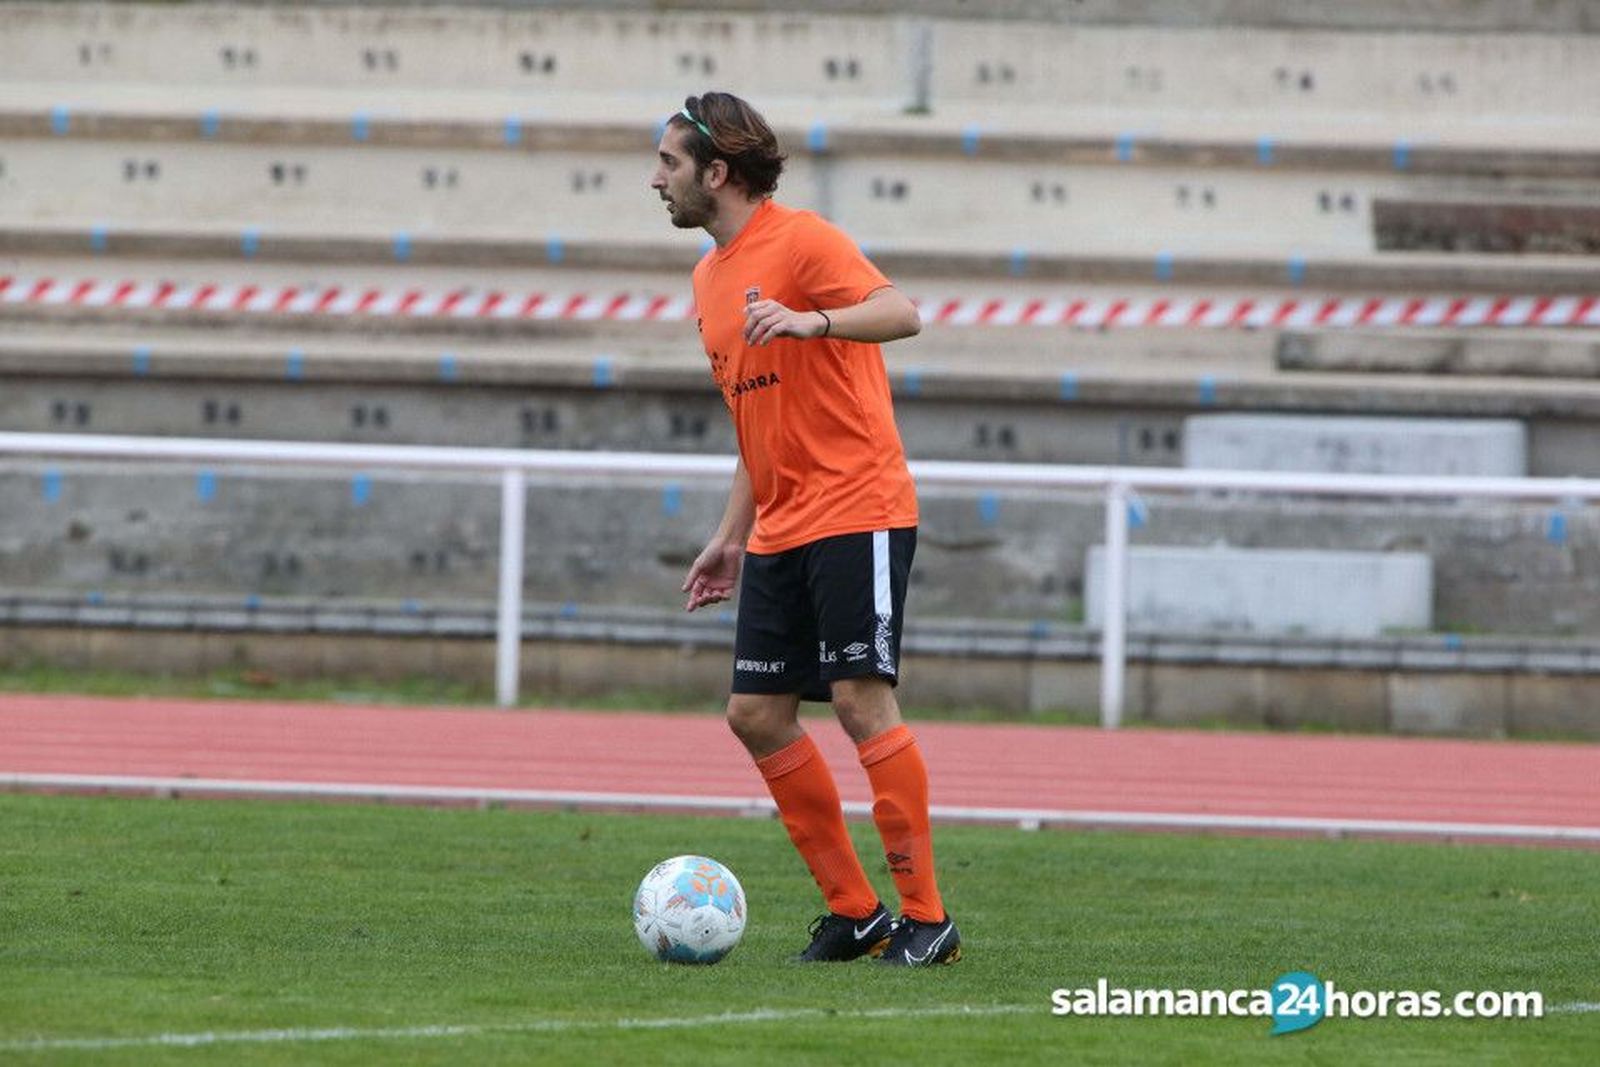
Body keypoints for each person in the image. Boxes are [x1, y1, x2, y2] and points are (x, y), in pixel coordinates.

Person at [650, 92, 960, 967]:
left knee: (861, 699)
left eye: (669, 163)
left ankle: (927, 918)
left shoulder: (804, 241)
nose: (656, 179)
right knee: (754, 713)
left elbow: (902, 312)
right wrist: (729, 534)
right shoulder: (709, 280)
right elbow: (758, 419)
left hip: (858, 505)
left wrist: (813, 320)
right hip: (780, 527)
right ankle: (856, 912)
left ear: (717, 173)